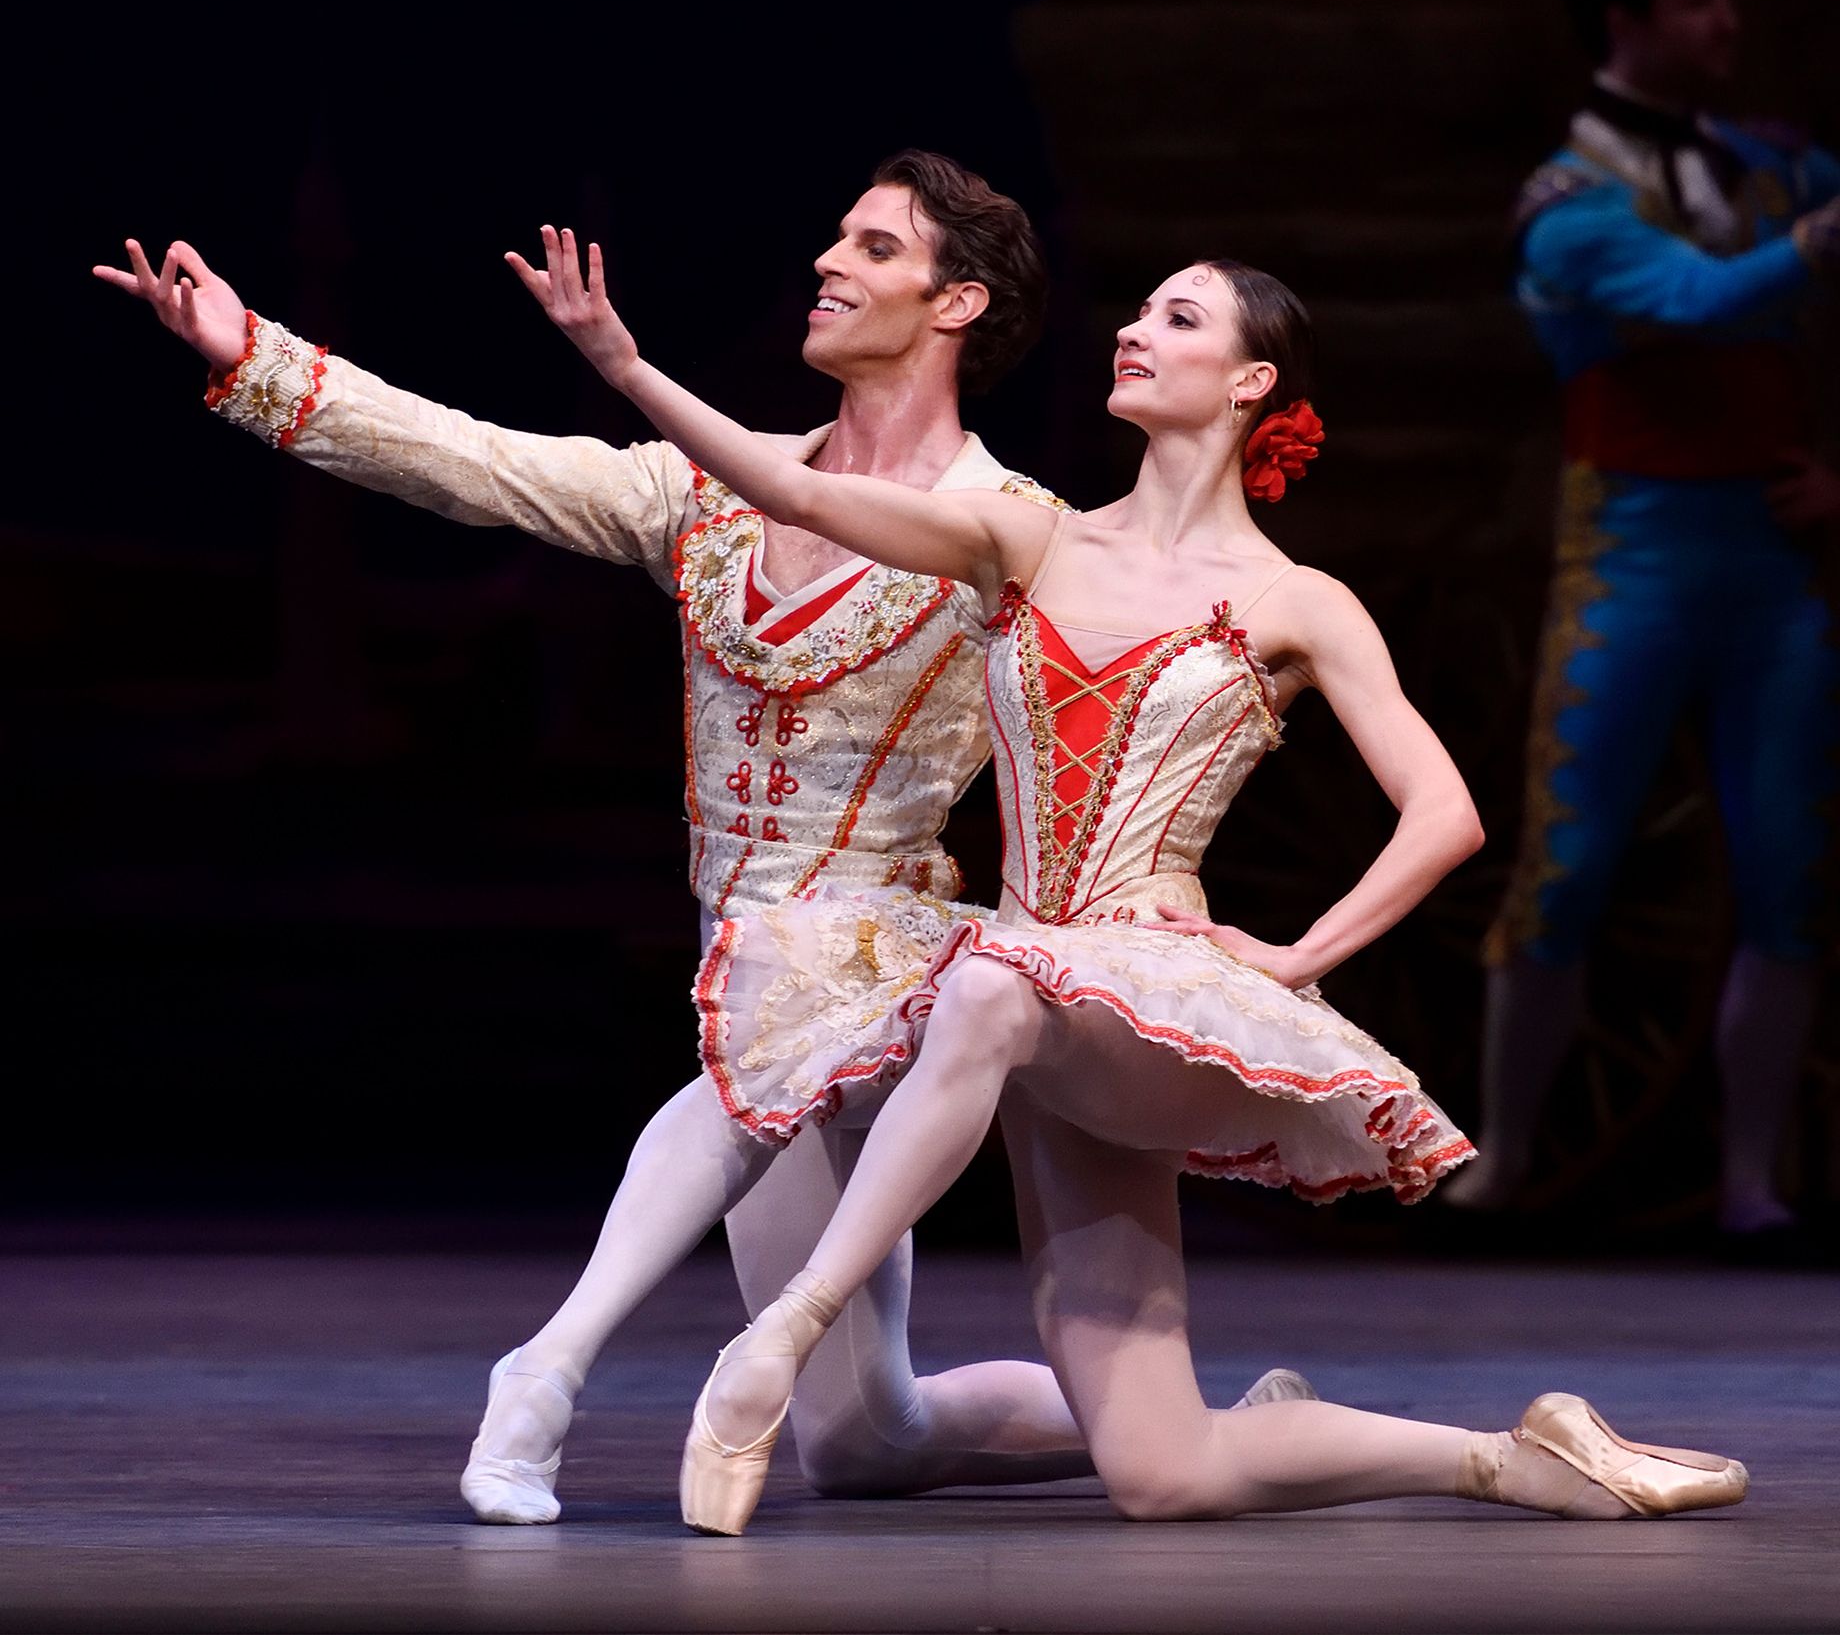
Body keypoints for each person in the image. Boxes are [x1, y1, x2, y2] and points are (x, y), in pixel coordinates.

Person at [95, 153, 1310, 1527]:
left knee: (786, 1013)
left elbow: (1130, 717)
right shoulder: (715, 492)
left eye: (871, 244)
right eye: (834, 236)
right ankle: (1200, 1433)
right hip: (748, 980)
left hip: (902, 954)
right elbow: (475, 463)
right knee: (863, 1433)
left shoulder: (1016, 530)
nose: (827, 261)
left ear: (956, 300)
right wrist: (248, 352)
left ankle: (544, 1368)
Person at [524, 244, 1749, 1533]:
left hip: (1141, 988)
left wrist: (1295, 958)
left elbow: (1445, 814)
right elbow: (799, 493)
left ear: (1249, 381)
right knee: (1163, 1472)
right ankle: (1512, 1456)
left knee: (987, 982)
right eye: (1140, 310)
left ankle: (778, 1340)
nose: (1135, 331)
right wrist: (623, 365)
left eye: (1179, 318)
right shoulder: (1027, 536)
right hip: (1039, 998)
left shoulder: (1297, 600)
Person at [1451, 0, 1840, 1232]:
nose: (1730, 19)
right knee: (1566, 867)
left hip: (1772, 570)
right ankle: (1504, 1161)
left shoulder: (1778, 165)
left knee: (1789, 874)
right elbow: (1692, 296)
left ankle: (1751, 1183)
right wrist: (1821, 239)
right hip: (1633, 561)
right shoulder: (1569, 202)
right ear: (1627, 18)